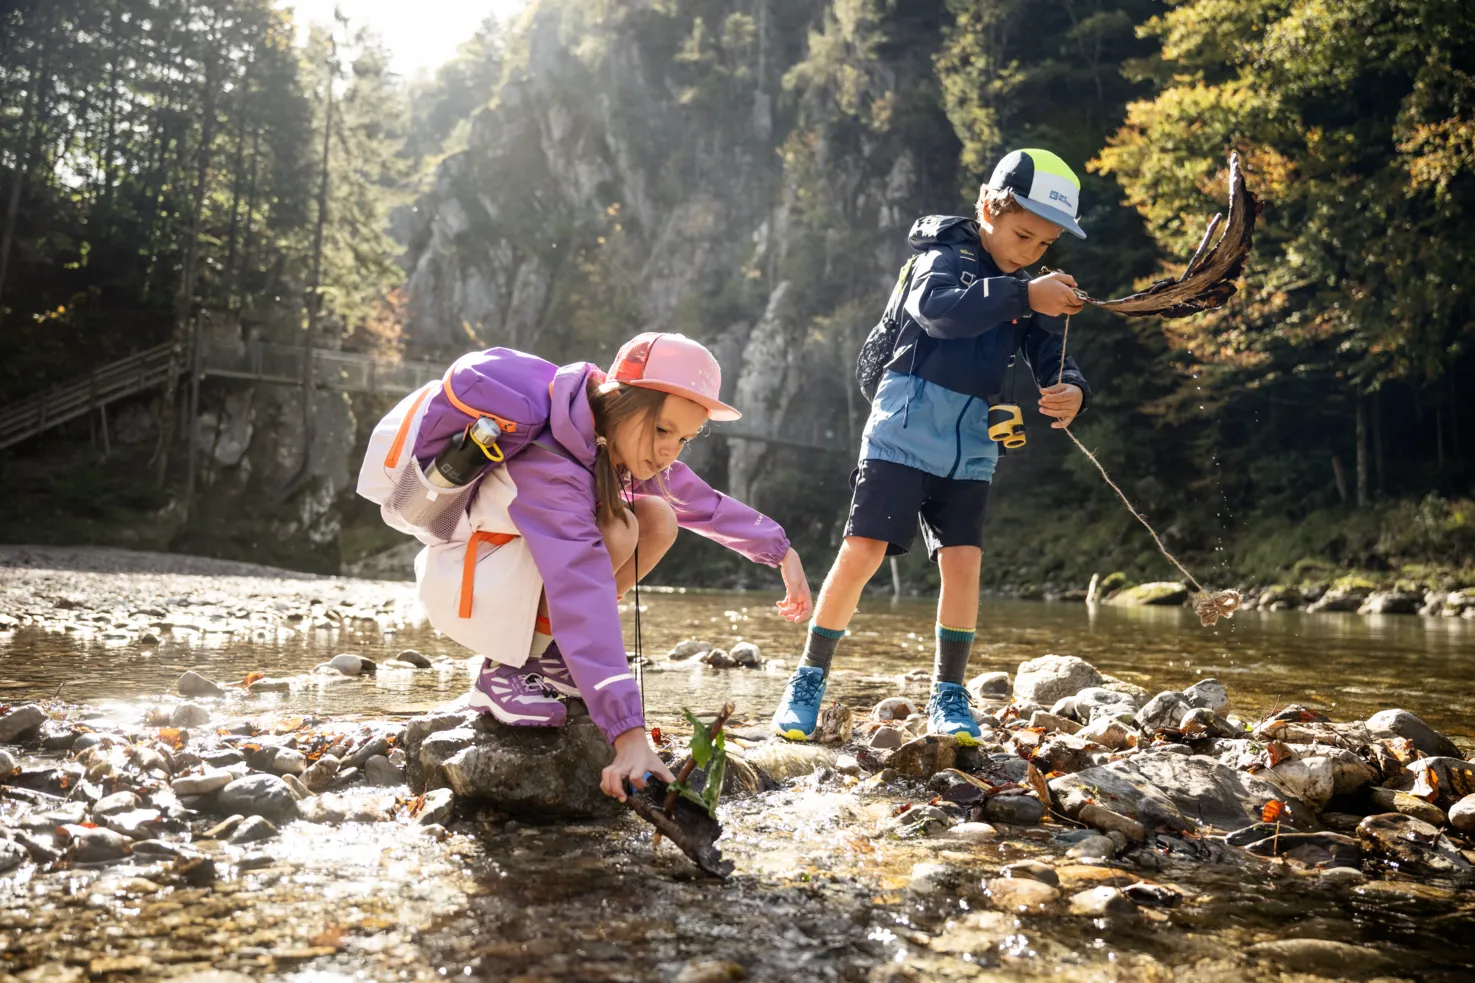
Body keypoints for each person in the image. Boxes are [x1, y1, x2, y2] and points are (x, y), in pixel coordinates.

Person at [358, 332, 813, 802]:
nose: (669, 450)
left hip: (500, 576)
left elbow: (696, 499)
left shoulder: (602, 436)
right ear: (619, 399)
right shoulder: (552, 460)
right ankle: (504, 671)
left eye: (684, 438)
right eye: (662, 431)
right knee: (618, 529)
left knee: (656, 518)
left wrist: (780, 550)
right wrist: (627, 734)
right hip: (468, 584)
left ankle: (549, 658)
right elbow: (581, 588)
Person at [770, 148, 1093, 744]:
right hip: (905, 424)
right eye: (1023, 234)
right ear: (991, 208)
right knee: (863, 550)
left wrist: (1070, 388)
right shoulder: (942, 258)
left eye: (1044, 245)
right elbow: (938, 313)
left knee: (963, 562)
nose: (1030, 252)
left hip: (973, 440)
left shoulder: (1029, 288)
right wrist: (1026, 295)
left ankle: (948, 694)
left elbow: (1053, 354)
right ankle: (808, 679)